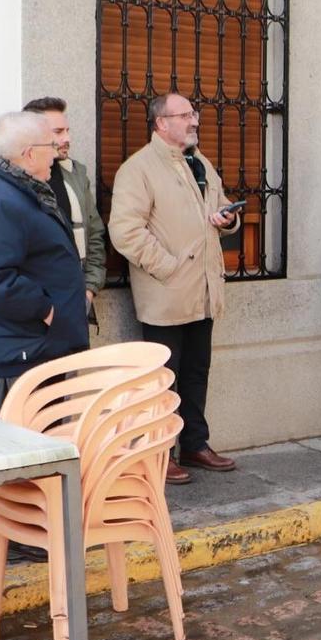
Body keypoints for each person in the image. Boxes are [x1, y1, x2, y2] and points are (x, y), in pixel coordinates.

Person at [108, 93, 240, 484]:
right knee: (162, 379)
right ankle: (160, 453)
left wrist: (228, 220)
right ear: (160, 123)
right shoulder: (138, 169)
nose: (193, 121)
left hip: (202, 292)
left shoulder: (200, 163)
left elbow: (221, 206)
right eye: (184, 115)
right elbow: (125, 231)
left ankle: (195, 444)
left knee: (197, 372)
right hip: (166, 294)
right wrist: (167, 267)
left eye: (193, 114)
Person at [0, 111, 89, 413]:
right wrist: (47, 310)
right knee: (31, 443)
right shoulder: (0, 200)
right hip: (28, 345)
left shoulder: (13, 190)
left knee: (45, 440)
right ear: (29, 154)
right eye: (50, 147)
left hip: (37, 343)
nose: (55, 156)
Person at [22, 97, 107, 318]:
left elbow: (94, 232)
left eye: (67, 130)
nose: (67, 138)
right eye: (58, 132)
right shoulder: (14, 184)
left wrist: (89, 289)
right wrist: (40, 309)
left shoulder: (76, 173)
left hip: (77, 301)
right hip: (37, 312)